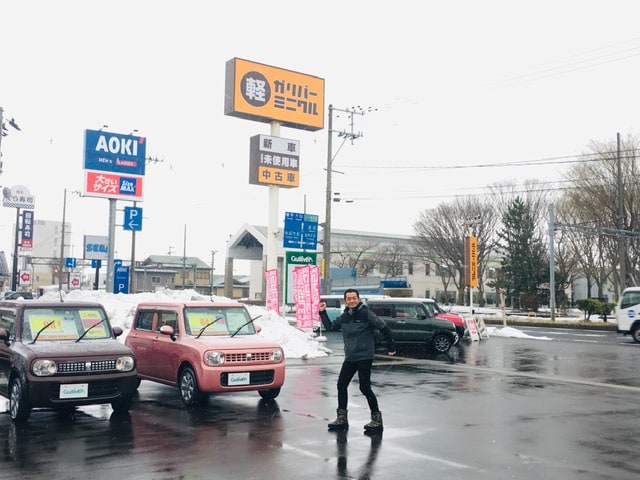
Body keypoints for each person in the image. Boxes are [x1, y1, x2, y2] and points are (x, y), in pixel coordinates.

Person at [319, 288, 396, 433]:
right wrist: (323, 312)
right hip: (351, 356)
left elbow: (385, 328)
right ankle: (342, 419)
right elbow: (330, 327)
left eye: (354, 298)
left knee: (364, 387)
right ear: (346, 301)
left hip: (365, 356)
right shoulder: (345, 316)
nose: (352, 301)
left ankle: (376, 419)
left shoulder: (366, 313)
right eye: (349, 299)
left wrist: (391, 347)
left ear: (358, 299)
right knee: (341, 385)